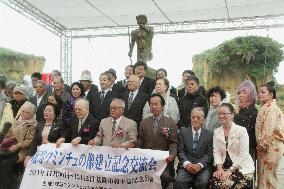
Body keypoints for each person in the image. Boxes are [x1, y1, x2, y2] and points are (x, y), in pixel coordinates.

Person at [131, 94, 178, 189]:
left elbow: (173, 142)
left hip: (163, 161)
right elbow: (141, 140)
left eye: (156, 104)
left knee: (164, 176)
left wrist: (172, 155)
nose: (153, 107)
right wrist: (132, 144)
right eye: (151, 104)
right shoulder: (144, 122)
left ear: (162, 106)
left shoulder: (170, 123)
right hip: (146, 160)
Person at [210, 103, 254, 189]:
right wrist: (219, 169)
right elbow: (217, 152)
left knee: (227, 184)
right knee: (215, 183)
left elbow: (243, 154)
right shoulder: (216, 132)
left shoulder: (241, 131)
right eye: (219, 114)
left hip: (242, 167)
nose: (221, 116)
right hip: (224, 166)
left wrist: (230, 171)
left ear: (232, 115)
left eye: (224, 113)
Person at [0, 102, 37, 189]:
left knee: (5, 163)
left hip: (23, 150)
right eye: (23, 111)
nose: (23, 113)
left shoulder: (34, 125)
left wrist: (17, 146)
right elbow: (8, 134)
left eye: (26, 112)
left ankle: (6, 186)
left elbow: (30, 141)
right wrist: (4, 143)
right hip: (10, 147)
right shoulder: (17, 122)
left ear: (32, 114)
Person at [175, 107, 213, 189]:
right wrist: (187, 164)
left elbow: (209, 154)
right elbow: (180, 151)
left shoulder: (209, 134)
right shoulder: (183, 133)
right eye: (193, 117)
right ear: (190, 118)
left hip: (203, 167)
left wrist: (199, 165)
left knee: (203, 182)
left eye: (198, 118)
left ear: (203, 120)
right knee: (179, 181)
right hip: (186, 166)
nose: (195, 120)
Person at [256, 81, 284, 189]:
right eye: (259, 92)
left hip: (269, 147)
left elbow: (268, 129)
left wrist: (262, 146)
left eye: (263, 92)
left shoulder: (271, 107)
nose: (260, 94)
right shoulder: (267, 106)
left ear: (271, 94)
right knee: (266, 176)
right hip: (269, 146)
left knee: (267, 178)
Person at [24, 103, 62, 167]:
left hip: (53, 154)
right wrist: (29, 155)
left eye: (49, 111)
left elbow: (63, 141)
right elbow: (34, 142)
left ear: (55, 114)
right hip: (39, 153)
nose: (46, 112)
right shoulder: (39, 124)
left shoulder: (60, 124)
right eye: (45, 110)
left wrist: (50, 144)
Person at [234, 80, 258, 161]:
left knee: (248, 172)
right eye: (239, 93)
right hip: (235, 148)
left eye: (244, 92)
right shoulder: (238, 109)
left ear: (251, 94)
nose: (241, 95)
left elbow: (246, 127)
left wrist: (236, 115)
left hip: (248, 148)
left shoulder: (253, 110)